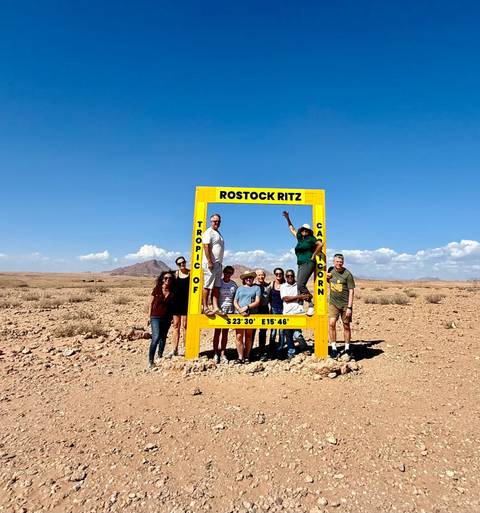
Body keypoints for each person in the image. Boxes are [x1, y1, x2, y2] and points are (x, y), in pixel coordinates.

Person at [282, 211, 323, 316]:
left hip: (308, 263)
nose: (304, 231)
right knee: (298, 286)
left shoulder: (310, 239)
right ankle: (300, 306)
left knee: (300, 284)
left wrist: (314, 254)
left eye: (306, 230)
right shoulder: (300, 239)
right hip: (300, 264)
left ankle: (311, 305)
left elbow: (320, 244)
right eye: (303, 230)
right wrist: (287, 218)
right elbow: (292, 228)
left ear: (309, 231)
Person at [327, 253, 355, 358]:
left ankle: (347, 348)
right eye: (337, 261)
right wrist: (326, 276)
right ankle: (334, 348)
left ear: (343, 262)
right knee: (331, 324)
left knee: (346, 325)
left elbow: (352, 291)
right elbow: (326, 279)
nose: (339, 263)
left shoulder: (347, 274)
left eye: (340, 262)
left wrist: (349, 307)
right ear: (334, 262)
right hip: (333, 303)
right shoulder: (330, 271)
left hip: (345, 304)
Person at [148, 271, 176, 368]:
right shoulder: (157, 289)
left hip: (167, 318)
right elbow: (150, 303)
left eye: (170, 278)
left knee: (163, 337)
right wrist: (149, 316)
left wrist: (172, 318)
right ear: (162, 279)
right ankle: (151, 361)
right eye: (166, 278)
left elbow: (173, 307)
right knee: (155, 337)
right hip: (155, 317)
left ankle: (160, 356)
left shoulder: (173, 291)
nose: (168, 280)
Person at [280, 269, 310, 359]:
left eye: (291, 276)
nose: (290, 277)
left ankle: (305, 348)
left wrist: (306, 297)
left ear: (294, 276)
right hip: (287, 313)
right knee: (288, 334)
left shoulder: (299, 285)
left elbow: (307, 295)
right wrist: (299, 297)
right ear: (285, 277)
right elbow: (285, 299)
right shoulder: (283, 286)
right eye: (288, 276)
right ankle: (291, 352)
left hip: (298, 313)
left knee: (297, 334)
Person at [233, 271, 261, 363]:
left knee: (249, 336)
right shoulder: (240, 289)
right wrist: (240, 310)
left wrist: (247, 307)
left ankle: (247, 356)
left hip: (251, 315)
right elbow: (235, 301)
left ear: (253, 278)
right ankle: (240, 357)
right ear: (244, 279)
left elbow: (257, 301)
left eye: (250, 277)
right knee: (239, 336)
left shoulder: (256, 288)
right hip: (240, 315)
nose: (248, 279)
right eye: (246, 278)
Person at [212, 266, 237, 364]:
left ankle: (223, 353)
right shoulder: (219, 283)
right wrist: (215, 308)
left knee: (225, 333)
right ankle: (215, 353)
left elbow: (235, 298)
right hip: (220, 310)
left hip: (229, 311)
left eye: (230, 272)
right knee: (217, 332)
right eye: (226, 272)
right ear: (223, 272)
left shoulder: (233, 285)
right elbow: (213, 296)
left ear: (232, 274)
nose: (228, 274)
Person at [166, 256, 189, 357]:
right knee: (176, 325)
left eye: (183, 262)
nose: (181, 265)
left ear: (185, 262)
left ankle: (186, 348)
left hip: (187, 302)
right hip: (176, 302)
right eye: (179, 264)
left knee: (185, 326)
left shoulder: (191, 273)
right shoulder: (175, 274)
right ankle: (174, 349)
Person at [202, 213, 225, 316]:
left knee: (216, 286)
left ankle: (215, 307)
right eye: (215, 221)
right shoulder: (208, 232)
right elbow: (206, 246)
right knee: (207, 285)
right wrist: (209, 261)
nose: (217, 223)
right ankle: (205, 307)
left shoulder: (218, 233)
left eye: (218, 221)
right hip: (210, 263)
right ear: (211, 221)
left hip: (218, 263)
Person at [266, 267, 286, 354]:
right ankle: (271, 349)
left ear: (283, 274)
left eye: (280, 274)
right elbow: (266, 295)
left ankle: (281, 348)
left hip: (283, 310)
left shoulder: (285, 284)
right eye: (277, 274)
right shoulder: (272, 284)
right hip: (273, 309)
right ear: (275, 275)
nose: (279, 275)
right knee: (273, 331)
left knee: (282, 331)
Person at [253, 269, 270, 361]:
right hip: (255, 310)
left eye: (262, 275)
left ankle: (262, 352)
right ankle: (250, 351)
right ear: (256, 276)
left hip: (265, 309)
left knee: (263, 332)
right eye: (259, 275)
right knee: (252, 331)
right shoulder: (253, 286)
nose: (261, 277)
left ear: (265, 276)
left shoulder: (268, 286)